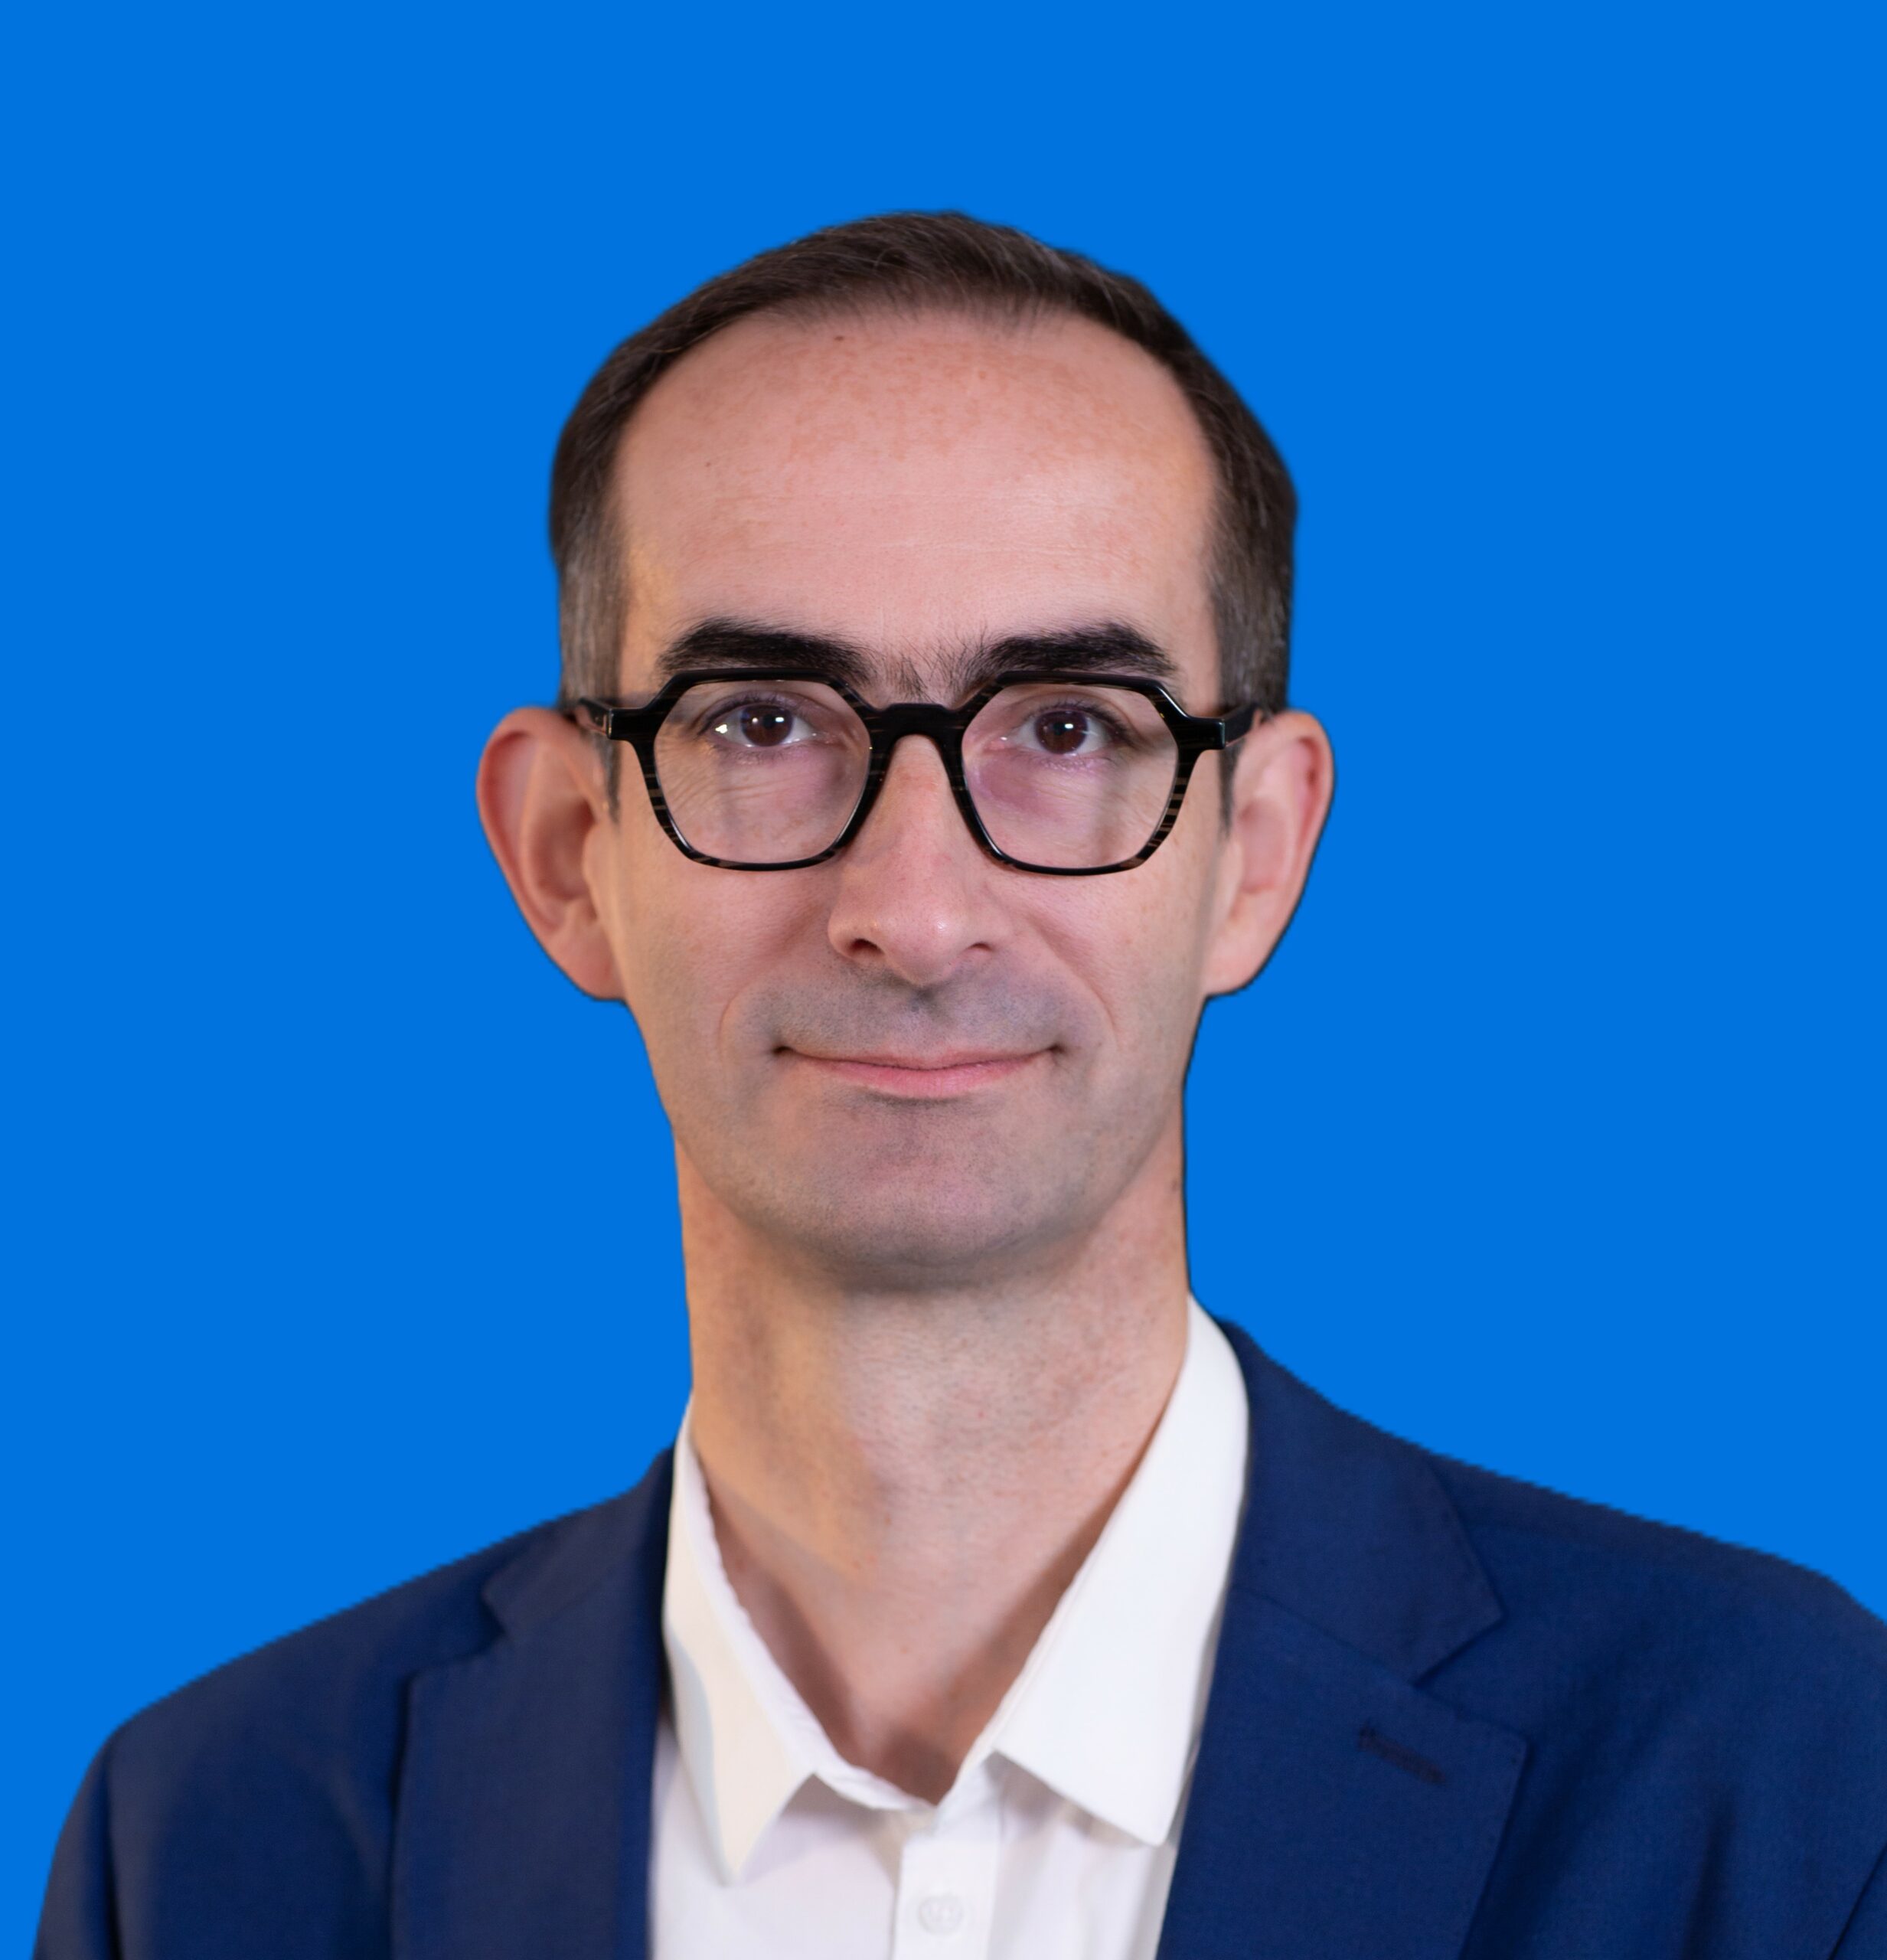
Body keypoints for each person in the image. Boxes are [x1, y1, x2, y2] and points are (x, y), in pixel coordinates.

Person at [36, 211, 1887, 1960]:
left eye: (1069, 727)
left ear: (1254, 851)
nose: (916, 910)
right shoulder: (209, 1846)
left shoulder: (1785, 1779)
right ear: (568, 850)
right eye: (762, 721)